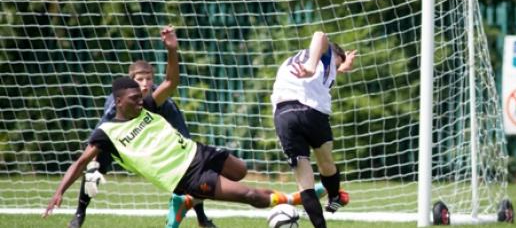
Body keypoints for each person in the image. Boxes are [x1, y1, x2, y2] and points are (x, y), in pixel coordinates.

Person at [44, 75, 317, 226]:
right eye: (134, 98)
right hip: (186, 177)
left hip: (197, 152)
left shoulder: (147, 106)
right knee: (251, 195)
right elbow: (81, 163)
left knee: (241, 170)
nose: (141, 101)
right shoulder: (106, 133)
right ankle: (297, 199)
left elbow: (171, 82)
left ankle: (186, 203)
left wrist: (172, 49)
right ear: (118, 101)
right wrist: (59, 192)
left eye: (141, 97)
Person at [66, 25, 216, 228]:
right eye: (139, 79)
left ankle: (202, 218)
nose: (145, 84)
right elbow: (100, 135)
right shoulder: (117, 103)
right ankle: (79, 215)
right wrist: (93, 165)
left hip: (156, 140)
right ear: (130, 81)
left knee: (191, 169)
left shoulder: (163, 102)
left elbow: (183, 134)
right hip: (125, 140)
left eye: (149, 79)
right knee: (96, 166)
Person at [271, 31, 357, 228]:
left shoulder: (293, 61)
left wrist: (340, 68)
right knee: (326, 164)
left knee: (304, 182)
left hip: (284, 115)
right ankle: (335, 196)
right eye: (338, 62)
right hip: (311, 112)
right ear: (334, 54)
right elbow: (320, 35)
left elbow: (319, 76)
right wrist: (312, 66)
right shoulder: (322, 54)